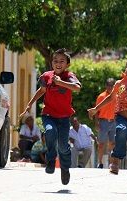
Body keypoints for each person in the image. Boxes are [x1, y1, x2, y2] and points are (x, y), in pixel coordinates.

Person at [20, 48, 81, 185]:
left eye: (61, 61)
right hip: (49, 114)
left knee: (64, 146)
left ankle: (65, 169)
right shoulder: (46, 76)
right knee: (49, 132)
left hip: (64, 117)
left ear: (67, 65)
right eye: (55, 61)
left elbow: (77, 88)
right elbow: (41, 90)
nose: (58, 63)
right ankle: (51, 160)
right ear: (51, 62)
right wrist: (30, 104)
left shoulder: (69, 76)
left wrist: (61, 83)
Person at [95, 78, 116, 169]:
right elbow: (96, 110)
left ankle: (112, 163)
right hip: (103, 122)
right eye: (109, 85)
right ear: (106, 86)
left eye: (112, 85)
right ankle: (99, 163)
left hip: (114, 122)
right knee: (101, 144)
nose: (110, 87)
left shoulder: (117, 96)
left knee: (112, 144)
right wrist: (96, 123)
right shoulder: (101, 96)